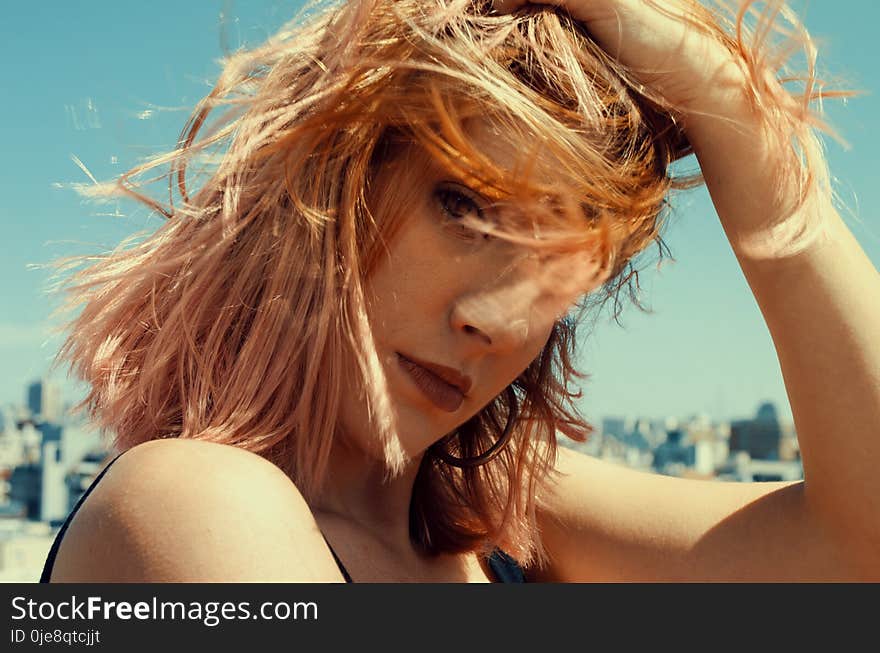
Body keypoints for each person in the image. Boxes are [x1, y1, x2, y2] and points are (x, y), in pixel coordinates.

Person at [40, 0, 879, 583]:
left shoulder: (511, 522)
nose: (495, 318)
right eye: (465, 208)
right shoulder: (194, 504)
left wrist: (731, 105)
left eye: (558, 264)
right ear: (331, 186)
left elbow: (857, 556)